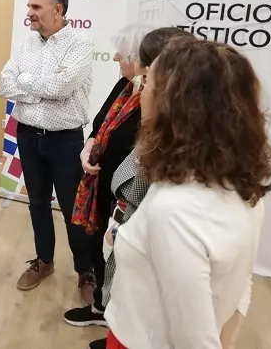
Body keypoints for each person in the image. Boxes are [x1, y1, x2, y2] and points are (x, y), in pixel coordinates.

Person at [103, 38, 271, 348]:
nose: (141, 93)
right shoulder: (241, 188)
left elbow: (195, 340)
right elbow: (239, 282)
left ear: (173, 107)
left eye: (147, 83)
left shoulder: (174, 211)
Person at [61, 27, 195, 348]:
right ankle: (106, 313)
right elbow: (99, 125)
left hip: (128, 201)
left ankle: (117, 327)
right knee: (104, 252)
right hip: (108, 190)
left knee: (127, 270)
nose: (117, 58)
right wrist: (90, 146)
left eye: (127, 54)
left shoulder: (167, 118)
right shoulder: (128, 86)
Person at [0, 0, 96, 303]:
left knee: (72, 208)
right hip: (27, 136)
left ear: (58, 10)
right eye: (29, 6)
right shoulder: (25, 45)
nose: (29, 13)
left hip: (65, 141)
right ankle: (44, 261)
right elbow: (4, 84)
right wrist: (42, 88)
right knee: (37, 203)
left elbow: (62, 87)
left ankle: (85, 271)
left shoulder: (80, 45)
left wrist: (26, 83)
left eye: (36, 7)